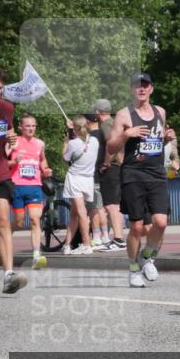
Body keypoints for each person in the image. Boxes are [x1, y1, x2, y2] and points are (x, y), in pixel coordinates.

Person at [106, 72, 177, 288]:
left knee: (161, 222)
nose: (142, 89)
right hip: (133, 174)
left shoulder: (160, 112)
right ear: (132, 90)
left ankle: (146, 256)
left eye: (146, 85)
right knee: (136, 227)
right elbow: (110, 148)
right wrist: (127, 134)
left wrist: (166, 139)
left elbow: (156, 141)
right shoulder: (123, 115)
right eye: (138, 86)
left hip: (156, 173)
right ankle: (133, 269)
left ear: (151, 89)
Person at [0, 66, 25, 294]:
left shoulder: (7, 108)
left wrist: (11, 139)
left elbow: (10, 132)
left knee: (3, 222)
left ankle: (8, 275)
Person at [9, 113, 52, 268]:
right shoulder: (14, 142)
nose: (31, 128)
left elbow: (43, 160)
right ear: (21, 126)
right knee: (19, 222)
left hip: (35, 186)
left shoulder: (40, 143)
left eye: (33, 126)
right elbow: (4, 162)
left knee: (35, 219)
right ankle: (6, 233)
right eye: (27, 126)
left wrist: (45, 169)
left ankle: (36, 256)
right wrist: (14, 161)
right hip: (17, 186)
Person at [61, 115, 99, 255]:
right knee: (74, 213)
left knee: (81, 213)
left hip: (75, 178)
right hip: (88, 179)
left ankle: (86, 243)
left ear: (75, 128)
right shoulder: (94, 141)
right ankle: (67, 245)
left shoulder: (73, 143)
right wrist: (73, 129)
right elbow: (83, 142)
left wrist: (66, 142)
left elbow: (64, 158)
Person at [94, 99, 126, 251]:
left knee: (111, 205)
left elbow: (110, 143)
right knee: (115, 205)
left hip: (111, 168)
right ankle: (118, 238)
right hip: (118, 167)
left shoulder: (106, 125)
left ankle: (118, 239)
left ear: (97, 112)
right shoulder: (114, 123)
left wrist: (106, 163)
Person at [84, 113, 110, 248]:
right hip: (100, 173)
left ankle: (96, 236)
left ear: (87, 122)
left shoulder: (89, 137)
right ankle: (105, 235)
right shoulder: (102, 134)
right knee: (100, 207)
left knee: (93, 208)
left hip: (90, 175)